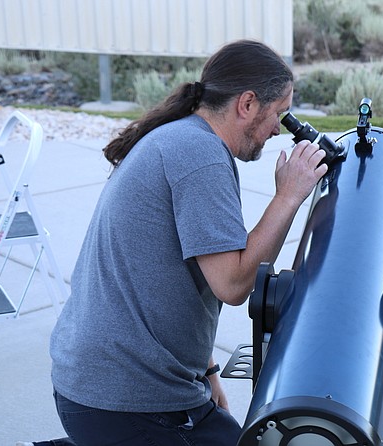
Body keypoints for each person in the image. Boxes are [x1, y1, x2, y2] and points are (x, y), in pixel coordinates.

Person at [22, 39, 328, 446]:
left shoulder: (182, 137)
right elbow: (233, 284)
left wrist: (208, 369)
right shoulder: (199, 155)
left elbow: (157, 274)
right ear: (248, 103)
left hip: (112, 384)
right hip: (123, 400)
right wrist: (288, 195)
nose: (278, 129)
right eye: (278, 114)